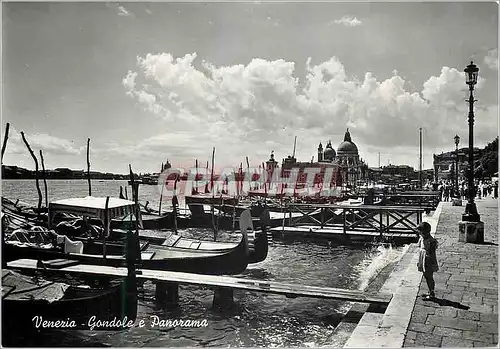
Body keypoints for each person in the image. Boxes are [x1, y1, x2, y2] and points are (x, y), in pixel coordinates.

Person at [416, 222, 438, 300]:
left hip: (428, 261)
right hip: (423, 259)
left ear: (424, 232)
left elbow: (432, 254)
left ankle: (432, 293)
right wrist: (420, 262)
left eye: (420, 232)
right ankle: (429, 291)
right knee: (426, 276)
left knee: (429, 277)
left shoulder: (430, 241)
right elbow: (421, 249)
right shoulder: (422, 239)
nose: (419, 233)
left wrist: (429, 263)